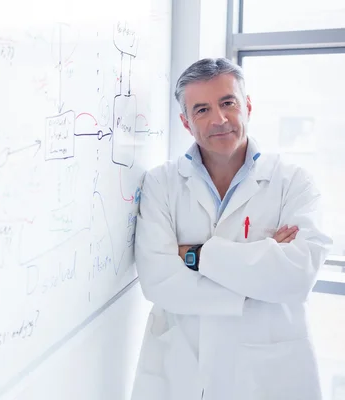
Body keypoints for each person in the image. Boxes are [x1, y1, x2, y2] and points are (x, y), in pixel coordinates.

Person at [131, 57, 333, 400]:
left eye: (228, 103)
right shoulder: (161, 184)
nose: (219, 119)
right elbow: (159, 282)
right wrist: (260, 274)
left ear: (248, 106)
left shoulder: (294, 182)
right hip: (181, 369)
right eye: (202, 110)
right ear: (185, 121)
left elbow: (298, 277)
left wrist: (195, 256)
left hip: (268, 375)